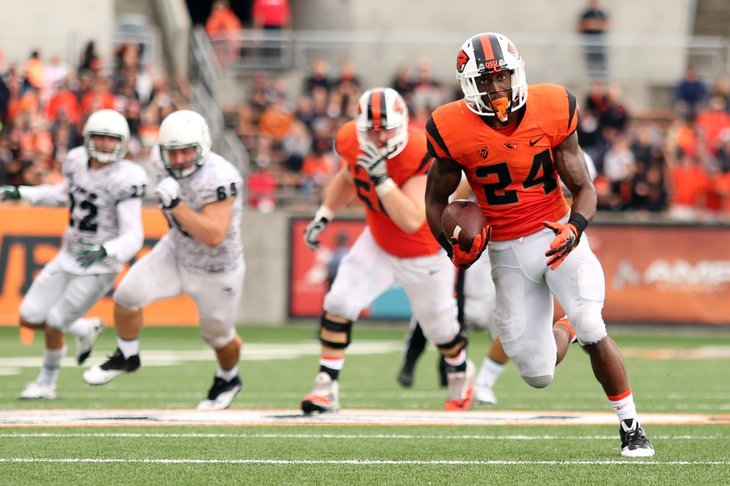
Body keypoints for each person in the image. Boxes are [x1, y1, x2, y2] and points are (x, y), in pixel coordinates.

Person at [423, 32, 654, 457]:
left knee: (591, 323)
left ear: (518, 73)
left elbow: (584, 187)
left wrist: (576, 226)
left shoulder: (552, 106)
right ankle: (563, 327)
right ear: (468, 84)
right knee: (538, 373)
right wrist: (450, 244)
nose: (497, 88)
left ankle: (631, 426)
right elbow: (436, 200)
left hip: (556, 234)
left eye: (504, 77)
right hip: (505, 251)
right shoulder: (449, 127)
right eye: (486, 80)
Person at [300, 87, 475, 414]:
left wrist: (381, 179)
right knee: (338, 301)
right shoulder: (350, 139)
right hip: (378, 241)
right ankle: (326, 385)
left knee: (441, 329)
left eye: (387, 129)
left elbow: (411, 219)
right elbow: (348, 176)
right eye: (372, 130)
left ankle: (461, 372)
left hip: (424, 251)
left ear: (403, 125)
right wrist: (325, 214)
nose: (379, 138)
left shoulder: (423, 150)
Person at [83, 110, 246, 411]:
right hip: (176, 251)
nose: (180, 159)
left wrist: (177, 205)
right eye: (174, 152)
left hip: (216, 268)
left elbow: (213, 236)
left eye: (187, 151)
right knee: (127, 295)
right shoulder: (160, 157)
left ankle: (228, 378)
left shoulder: (222, 177)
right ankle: (127, 355)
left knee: (218, 336)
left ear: (203, 147)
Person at [0, 109, 147, 400]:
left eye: (111, 139)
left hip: (99, 266)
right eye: (100, 137)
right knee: (29, 316)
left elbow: (134, 236)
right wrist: (25, 193)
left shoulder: (127, 177)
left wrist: (106, 249)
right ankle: (83, 329)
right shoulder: (77, 161)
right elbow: (64, 194)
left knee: (55, 322)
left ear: (122, 142)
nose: (105, 144)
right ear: (88, 138)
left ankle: (46, 383)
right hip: (69, 255)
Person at [577, 0, 609, 80]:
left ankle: (602, 80)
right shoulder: (585, 14)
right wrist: (589, 25)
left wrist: (597, 25)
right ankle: (591, 79)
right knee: (590, 62)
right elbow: (580, 26)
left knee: (601, 62)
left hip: (599, 42)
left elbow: (607, 25)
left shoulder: (601, 13)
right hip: (589, 42)